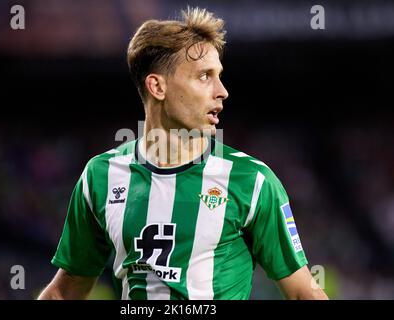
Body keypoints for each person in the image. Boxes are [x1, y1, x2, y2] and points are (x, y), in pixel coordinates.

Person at [38, 7, 328, 300]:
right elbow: (64, 292)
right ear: (157, 86)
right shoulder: (100, 177)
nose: (222, 91)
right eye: (204, 76)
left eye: (219, 76)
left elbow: (305, 293)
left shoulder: (252, 181)